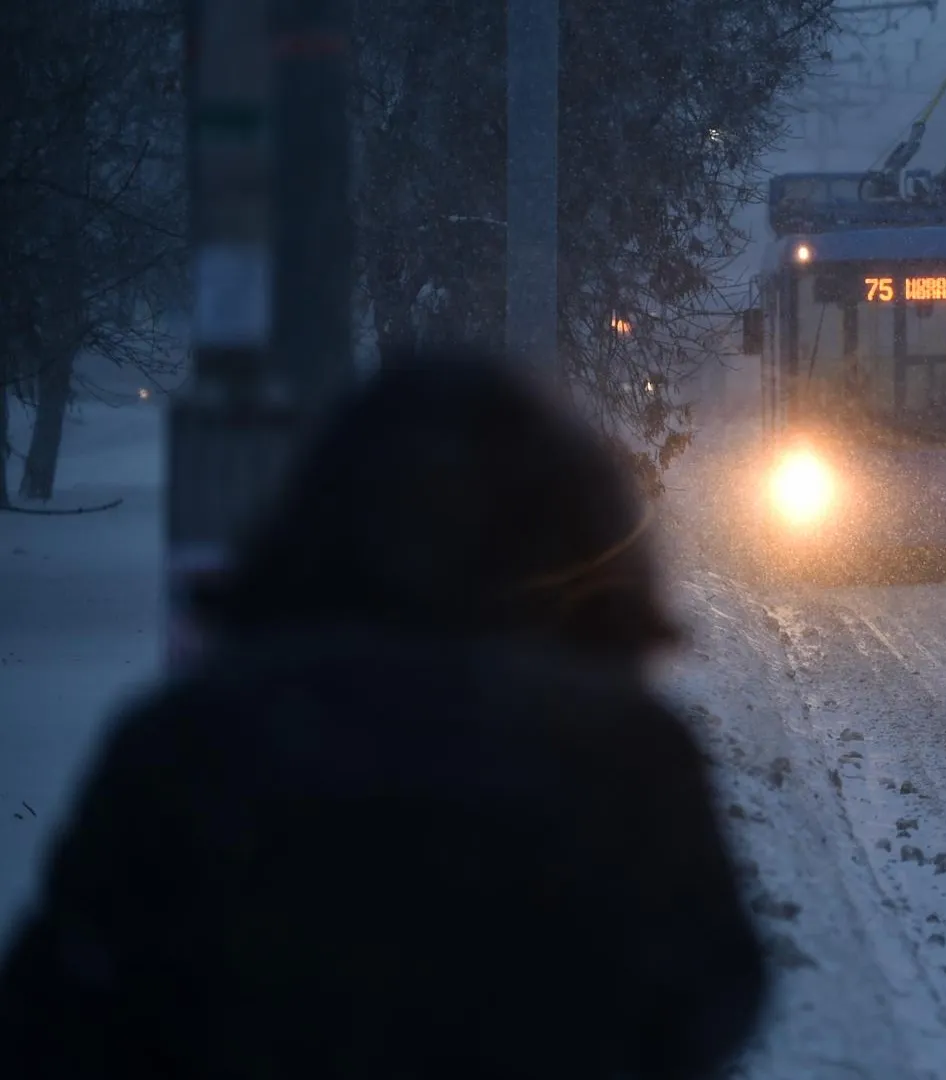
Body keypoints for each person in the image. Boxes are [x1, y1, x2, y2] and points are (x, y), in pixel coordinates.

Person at [0, 349, 767, 1078]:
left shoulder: (188, 744)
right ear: (581, 539)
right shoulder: (622, 754)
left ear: (313, 515)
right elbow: (709, 1005)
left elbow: (58, 1020)